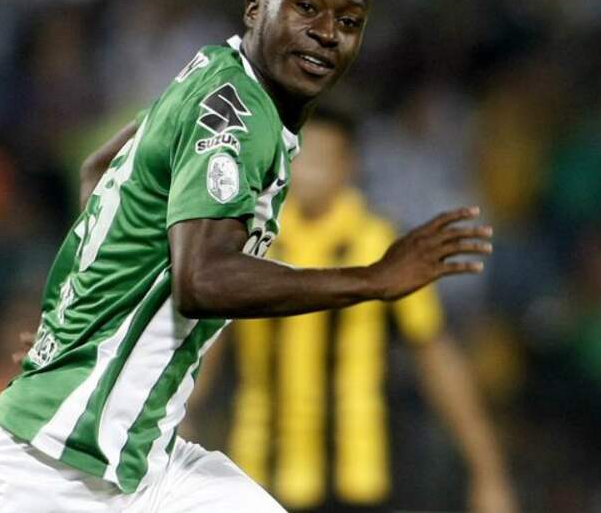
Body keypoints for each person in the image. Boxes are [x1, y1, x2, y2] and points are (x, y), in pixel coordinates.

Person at [0, 0, 493, 512]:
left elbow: (100, 168)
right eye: (306, 7)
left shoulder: (214, 73)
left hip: (144, 462)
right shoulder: (240, 118)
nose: (327, 33)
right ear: (256, 8)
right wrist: (373, 280)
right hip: (43, 469)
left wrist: (86, 315)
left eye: (349, 21)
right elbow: (202, 280)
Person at [189, 108, 516, 513]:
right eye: (300, 158)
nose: (308, 173)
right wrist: (178, 416)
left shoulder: (380, 246)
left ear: (348, 165)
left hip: (361, 481)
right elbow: (207, 345)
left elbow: (435, 355)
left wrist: (487, 469)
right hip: (260, 477)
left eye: (322, 159)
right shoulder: (253, 242)